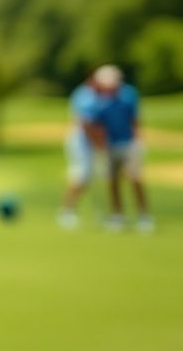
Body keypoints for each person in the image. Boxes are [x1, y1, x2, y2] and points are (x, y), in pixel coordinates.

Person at [58, 64, 153, 232]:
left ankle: (144, 217)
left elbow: (134, 120)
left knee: (135, 178)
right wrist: (100, 145)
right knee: (113, 182)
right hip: (110, 145)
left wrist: (139, 140)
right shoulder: (97, 99)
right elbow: (91, 124)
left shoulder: (128, 95)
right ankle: (118, 216)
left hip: (128, 143)